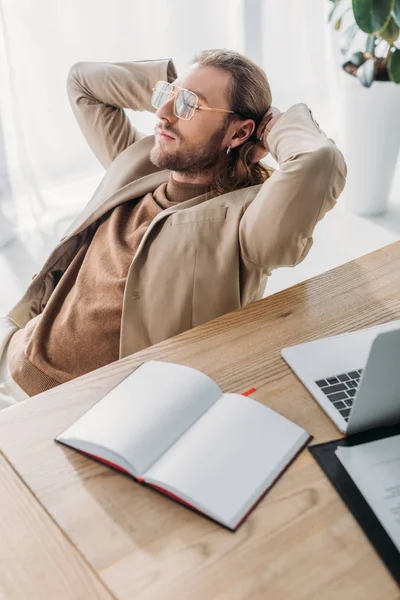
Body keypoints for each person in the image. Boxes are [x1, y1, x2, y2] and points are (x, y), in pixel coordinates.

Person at [0, 48, 347, 409]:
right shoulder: (139, 164)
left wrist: (273, 126)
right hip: (15, 350)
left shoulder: (246, 225)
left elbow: (317, 159)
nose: (162, 115)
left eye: (190, 106)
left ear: (240, 131)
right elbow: (82, 82)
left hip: (74, 413)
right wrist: (172, 90)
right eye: (168, 98)